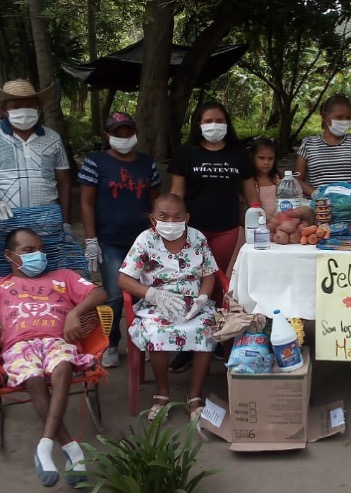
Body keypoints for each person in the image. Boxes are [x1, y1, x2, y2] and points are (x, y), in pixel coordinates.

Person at [0, 228, 108, 488]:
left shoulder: (63, 277)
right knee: (31, 376)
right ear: (10, 255)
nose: (38, 255)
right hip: (18, 346)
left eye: (40, 250)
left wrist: (74, 312)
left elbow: (100, 294)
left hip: (58, 341)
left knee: (63, 364)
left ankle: (45, 445)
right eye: (29, 250)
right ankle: (68, 446)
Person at [169, 102, 257, 372]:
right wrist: (172, 228)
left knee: (218, 284)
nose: (214, 125)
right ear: (199, 124)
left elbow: (250, 194)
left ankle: (217, 339)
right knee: (189, 285)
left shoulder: (238, 154)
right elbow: (176, 195)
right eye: (208, 120)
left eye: (220, 120)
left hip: (226, 229)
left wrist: (258, 220)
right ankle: (188, 344)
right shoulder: (186, 154)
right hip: (192, 232)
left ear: (227, 123)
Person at [118, 194, 218, 422]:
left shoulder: (197, 238)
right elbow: (124, 279)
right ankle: (162, 393)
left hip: (193, 303)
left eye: (177, 216)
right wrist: (153, 294)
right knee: (157, 331)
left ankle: (195, 396)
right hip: (156, 303)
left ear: (187, 217)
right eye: (163, 216)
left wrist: (202, 298)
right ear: (153, 219)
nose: (171, 221)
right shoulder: (145, 240)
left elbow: (209, 274)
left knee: (207, 327)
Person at [78, 112, 161, 368]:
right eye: (117, 133)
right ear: (108, 136)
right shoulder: (96, 162)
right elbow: (87, 201)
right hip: (110, 239)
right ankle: (111, 342)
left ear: (135, 134)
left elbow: (155, 201)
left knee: (144, 293)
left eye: (127, 133)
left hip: (143, 240)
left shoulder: (147, 163)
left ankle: (143, 339)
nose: (123, 138)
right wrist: (91, 239)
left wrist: (159, 232)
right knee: (114, 294)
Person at [0, 80, 72, 230]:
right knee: (9, 254)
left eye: (29, 106)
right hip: (6, 221)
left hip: (47, 221)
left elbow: (64, 182)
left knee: (49, 254)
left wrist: (66, 223)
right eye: (16, 107)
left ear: (38, 108)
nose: (24, 111)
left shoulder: (52, 138)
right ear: (4, 109)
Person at [294, 94, 351, 196]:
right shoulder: (308, 144)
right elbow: (297, 179)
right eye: (339, 117)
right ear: (325, 117)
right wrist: (315, 194)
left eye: (348, 118)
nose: (344, 121)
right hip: (321, 207)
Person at [250, 137, 281, 217]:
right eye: (261, 158)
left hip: (278, 221)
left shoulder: (277, 178)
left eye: (270, 158)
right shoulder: (249, 181)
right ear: (252, 157)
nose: (266, 162)